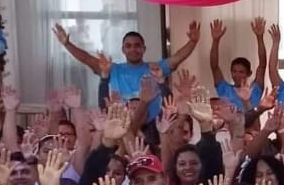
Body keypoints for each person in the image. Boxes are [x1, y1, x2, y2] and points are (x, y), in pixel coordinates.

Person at [55, 24, 199, 121]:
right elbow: (86, 58)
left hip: (153, 126)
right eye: (128, 46)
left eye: (137, 46)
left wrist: (192, 42)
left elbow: (177, 58)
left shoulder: (155, 68)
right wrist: (67, 44)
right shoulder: (112, 69)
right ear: (123, 50)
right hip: (121, 125)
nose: (133, 49)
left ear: (144, 49)